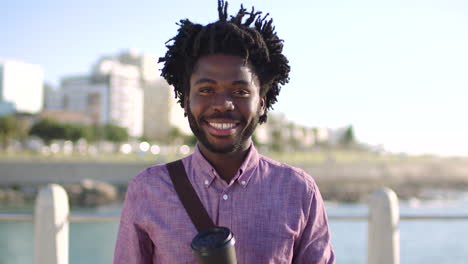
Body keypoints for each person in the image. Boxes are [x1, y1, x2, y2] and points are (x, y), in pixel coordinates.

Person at [114, 1, 335, 263]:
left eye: (240, 92)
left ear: (261, 103)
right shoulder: (148, 189)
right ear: (186, 100)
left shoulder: (298, 191)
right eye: (206, 90)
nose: (222, 104)